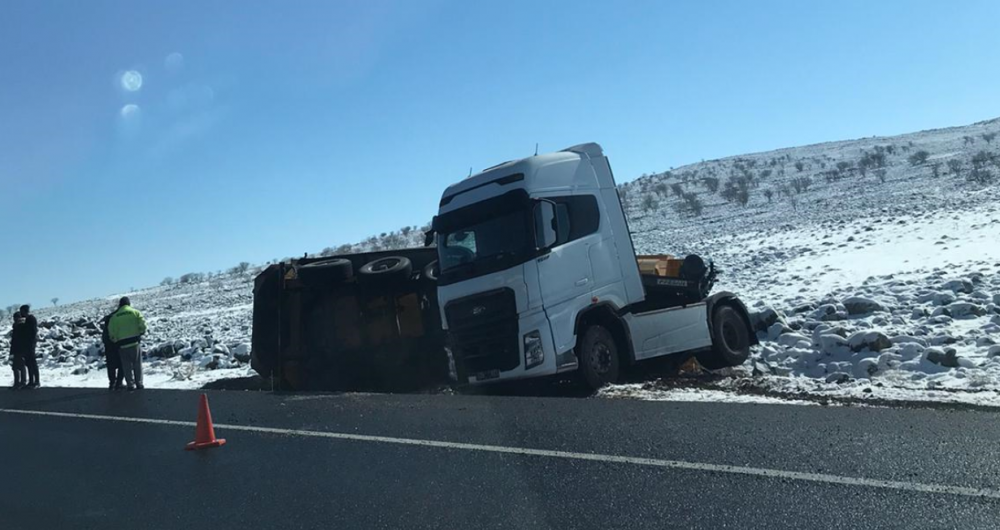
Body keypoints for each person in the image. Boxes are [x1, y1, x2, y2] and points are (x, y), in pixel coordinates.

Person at [108, 297, 147, 391]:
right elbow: (143, 325)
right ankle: (139, 383)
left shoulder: (115, 317)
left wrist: (115, 340)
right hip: (134, 342)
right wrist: (141, 332)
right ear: (129, 304)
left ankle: (130, 384)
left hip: (122, 345)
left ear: (120, 305)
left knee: (126, 366)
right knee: (137, 364)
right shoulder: (135, 312)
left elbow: (111, 332)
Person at [11, 305, 39, 389]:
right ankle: (31, 381)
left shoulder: (31, 319)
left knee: (33, 364)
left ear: (24, 311)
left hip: (30, 345)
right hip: (26, 346)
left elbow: (31, 333)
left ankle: (36, 381)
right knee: (28, 364)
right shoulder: (27, 320)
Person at [101, 310, 124, 391]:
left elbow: (104, 337)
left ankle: (112, 383)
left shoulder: (107, 322)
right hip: (118, 346)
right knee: (121, 364)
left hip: (109, 347)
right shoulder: (118, 320)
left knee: (111, 366)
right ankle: (119, 382)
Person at [9, 313, 28, 389]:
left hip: (20, 348)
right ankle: (17, 382)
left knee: (20, 365)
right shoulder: (15, 326)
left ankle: (22, 382)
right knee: (15, 366)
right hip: (15, 348)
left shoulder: (22, 326)